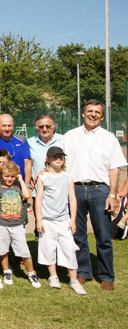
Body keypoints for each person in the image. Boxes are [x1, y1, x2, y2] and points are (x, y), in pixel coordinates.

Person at [63, 99, 127, 291]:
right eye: (89, 111)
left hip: (100, 191)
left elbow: (114, 169)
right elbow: (62, 164)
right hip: (75, 189)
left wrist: (113, 195)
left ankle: (107, 276)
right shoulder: (70, 136)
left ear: (102, 115)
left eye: (97, 112)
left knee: (103, 236)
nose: (93, 115)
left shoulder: (109, 139)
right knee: (78, 234)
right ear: (83, 114)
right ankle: (83, 272)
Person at [35, 147, 86, 295]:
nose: (58, 159)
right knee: (48, 249)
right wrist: (39, 220)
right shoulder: (42, 178)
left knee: (69, 249)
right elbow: (38, 199)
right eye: (54, 157)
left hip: (64, 221)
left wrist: (73, 220)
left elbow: (72, 199)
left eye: (61, 157)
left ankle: (73, 280)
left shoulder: (68, 177)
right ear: (48, 160)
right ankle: (53, 276)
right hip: (47, 220)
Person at [0, 161, 40, 288]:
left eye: (12, 176)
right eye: (7, 176)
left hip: (17, 225)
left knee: (24, 250)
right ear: (2, 175)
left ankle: (31, 273)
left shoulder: (18, 188)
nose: (9, 179)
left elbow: (27, 195)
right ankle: (6, 271)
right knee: (3, 250)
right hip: (2, 224)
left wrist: (21, 179)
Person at [0, 114, 32, 183]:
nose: (7, 129)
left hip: (19, 183)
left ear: (13, 125)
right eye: (4, 126)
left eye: (9, 126)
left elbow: (27, 163)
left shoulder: (22, 141)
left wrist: (27, 183)